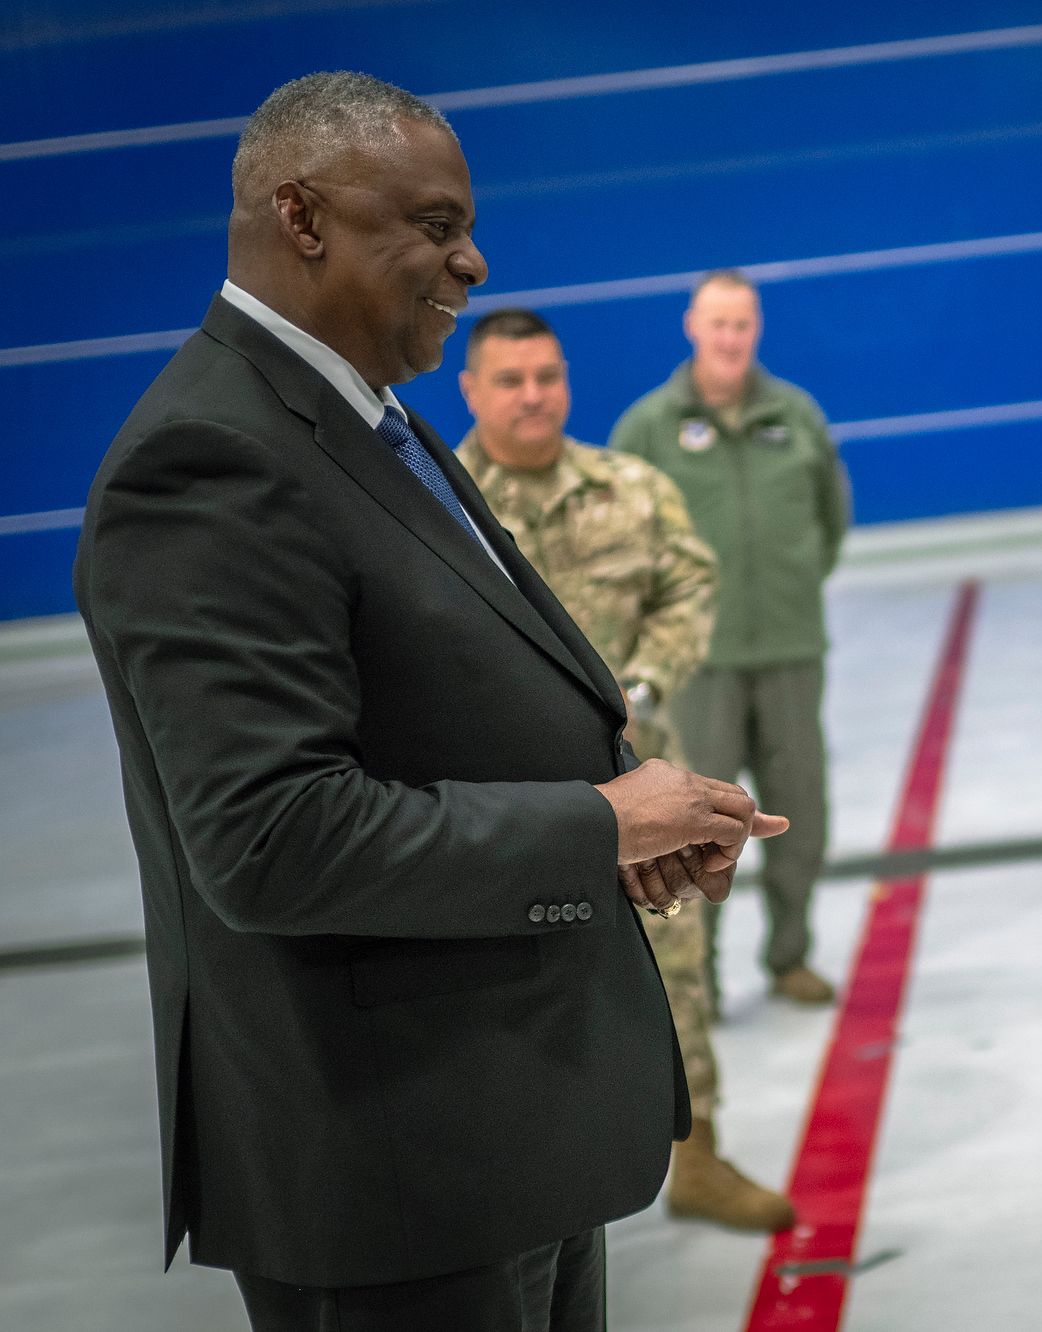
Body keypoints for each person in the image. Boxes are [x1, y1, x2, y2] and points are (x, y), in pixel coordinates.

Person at [70, 72, 786, 1332]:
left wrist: (608, 839)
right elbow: (271, 840)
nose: (473, 258)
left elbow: (438, 711)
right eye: (436, 225)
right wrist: (598, 826)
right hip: (393, 1168)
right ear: (302, 217)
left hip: (504, 1131)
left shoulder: (361, 420)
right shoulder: (214, 460)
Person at [456, 307, 795, 1232]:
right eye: (512, 380)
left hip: (651, 787)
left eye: (548, 376)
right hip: (512, 805)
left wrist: (640, 681)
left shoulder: (632, 489)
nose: (534, 396)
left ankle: (700, 1158)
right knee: (513, 991)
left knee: (678, 968)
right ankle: (526, 1185)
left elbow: (690, 585)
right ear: (471, 390)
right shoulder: (440, 512)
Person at [612, 270, 849, 1007]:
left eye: (742, 324)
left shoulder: (796, 414)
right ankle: (701, 977)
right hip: (698, 667)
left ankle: (788, 956)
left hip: (788, 648)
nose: (730, 337)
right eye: (717, 323)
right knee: (695, 825)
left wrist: (796, 583)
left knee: (798, 808)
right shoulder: (649, 427)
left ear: (757, 329)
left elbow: (830, 519)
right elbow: (624, 543)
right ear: (692, 326)